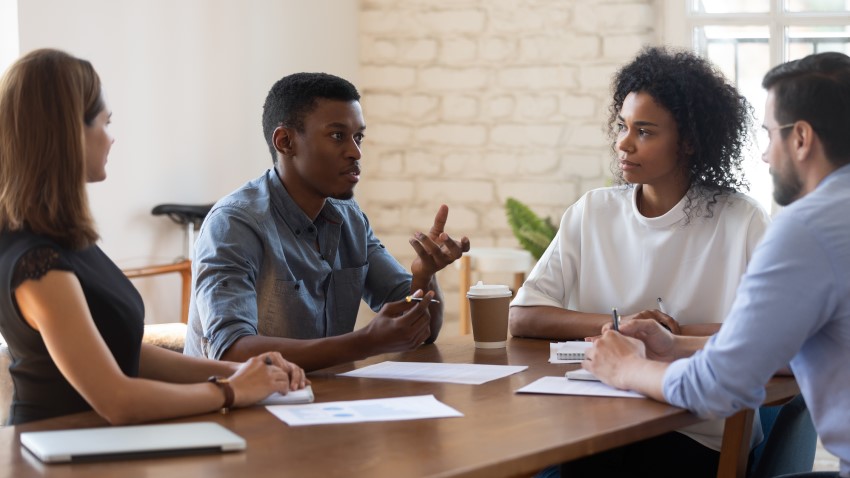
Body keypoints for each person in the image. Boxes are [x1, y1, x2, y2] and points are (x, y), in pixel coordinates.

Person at [0, 49, 308, 426]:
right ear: (68, 133)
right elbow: (117, 400)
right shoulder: (38, 264)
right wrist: (231, 391)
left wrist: (239, 372)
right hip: (58, 453)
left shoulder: (63, 241)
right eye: (104, 122)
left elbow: (125, 352)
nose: (111, 139)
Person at [586, 51, 850, 478]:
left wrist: (626, 368)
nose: (765, 156)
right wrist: (676, 346)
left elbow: (717, 390)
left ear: (801, 138)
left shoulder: (807, 230)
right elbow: (780, 349)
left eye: (770, 136)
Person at [510, 46, 771, 477]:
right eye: (622, 126)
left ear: (688, 141)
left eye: (645, 131)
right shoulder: (593, 211)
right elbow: (523, 316)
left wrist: (672, 333)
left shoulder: (741, 220)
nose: (623, 143)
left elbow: (768, 335)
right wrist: (621, 325)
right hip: (600, 417)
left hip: (696, 428)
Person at [184, 72, 469, 371]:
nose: (355, 152)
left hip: (324, 403)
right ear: (285, 142)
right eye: (337, 136)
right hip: (237, 409)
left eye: (358, 137)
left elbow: (421, 334)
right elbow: (231, 353)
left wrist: (423, 276)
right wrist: (365, 342)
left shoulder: (350, 217)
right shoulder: (234, 224)